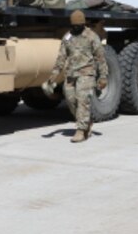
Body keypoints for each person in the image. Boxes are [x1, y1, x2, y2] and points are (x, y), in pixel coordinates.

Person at [43, 10, 107, 143]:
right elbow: (61, 58)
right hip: (71, 74)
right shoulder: (68, 37)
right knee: (71, 100)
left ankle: (80, 130)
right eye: (74, 25)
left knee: (82, 99)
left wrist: (103, 77)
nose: (76, 28)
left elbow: (100, 58)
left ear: (83, 24)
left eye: (79, 25)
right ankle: (86, 121)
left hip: (87, 73)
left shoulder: (91, 36)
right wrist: (52, 77)